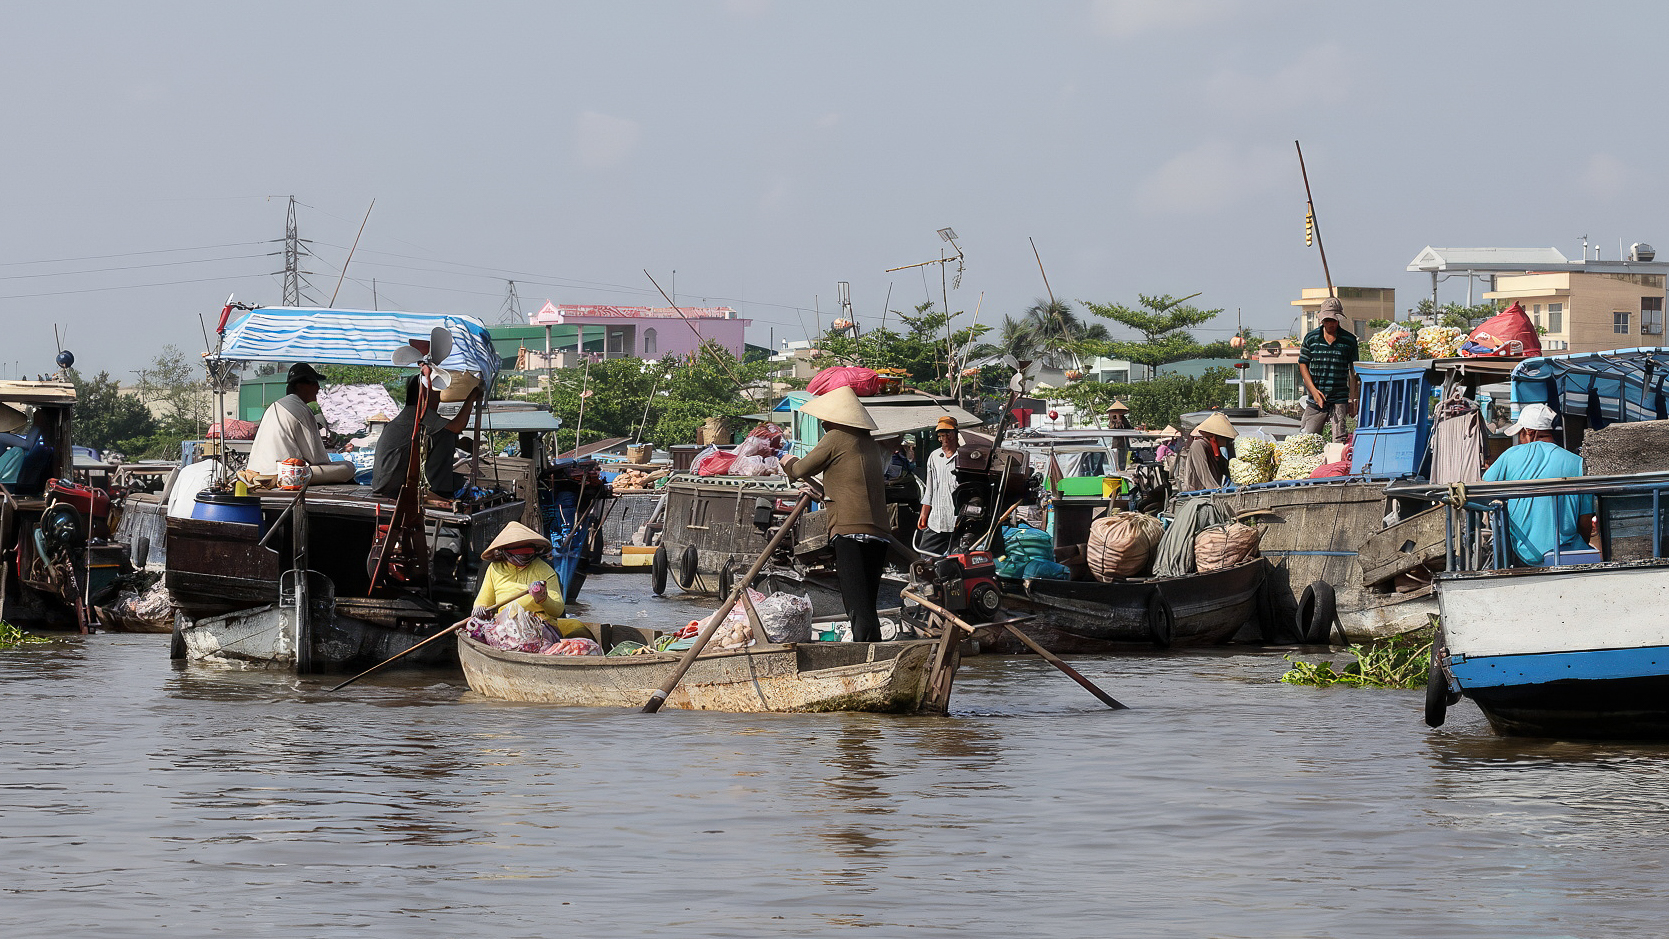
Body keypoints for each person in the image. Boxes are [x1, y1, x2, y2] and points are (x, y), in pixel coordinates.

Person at [783, 386, 891, 643]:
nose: (822, 423)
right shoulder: (870, 444)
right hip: (879, 535)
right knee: (867, 604)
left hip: (850, 531)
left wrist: (785, 460)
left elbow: (798, 469)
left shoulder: (837, 437)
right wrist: (820, 490)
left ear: (837, 418)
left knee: (855, 604)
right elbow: (848, 485)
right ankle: (872, 649)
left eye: (825, 418)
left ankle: (866, 656)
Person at [1481, 403, 1597, 565]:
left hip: (1524, 554)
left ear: (1529, 432)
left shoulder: (1510, 456)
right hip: (1567, 554)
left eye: (1520, 434)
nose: (1520, 440)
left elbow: (1481, 491)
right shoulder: (1577, 462)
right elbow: (1585, 520)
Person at [372, 374, 482, 497]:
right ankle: (439, 491)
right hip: (390, 484)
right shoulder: (418, 414)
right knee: (446, 435)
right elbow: (456, 426)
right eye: (437, 394)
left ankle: (439, 488)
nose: (439, 400)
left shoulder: (411, 414)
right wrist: (472, 396)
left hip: (383, 482)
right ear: (424, 395)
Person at [247, 363, 357, 483]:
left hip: (257, 472)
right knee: (348, 467)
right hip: (284, 475)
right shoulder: (301, 409)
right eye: (314, 384)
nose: (318, 388)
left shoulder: (278, 405)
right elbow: (317, 459)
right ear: (301, 386)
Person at [471, 520, 583, 634]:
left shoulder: (544, 569)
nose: (523, 558)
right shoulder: (495, 568)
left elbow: (558, 610)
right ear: (505, 552)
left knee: (576, 626)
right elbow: (484, 599)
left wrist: (543, 598)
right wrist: (480, 607)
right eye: (518, 555)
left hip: (539, 625)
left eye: (527, 553)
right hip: (504, 625)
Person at [1298, 297, 1360, 440]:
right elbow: (1303, 365)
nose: (1330, 324)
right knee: (1307, 439)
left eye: (1332, 320)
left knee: (1339, 440)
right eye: (1327, 320)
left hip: (1339, 397)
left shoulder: (1349, 341)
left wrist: (1353, 398)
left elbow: (1353, 372)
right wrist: (1313, 391)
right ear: (1322, 320)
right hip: (1317, 397)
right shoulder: (1311, 339)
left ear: (1338, 319)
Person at [917, 415, 961, 555]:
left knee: (957, 560)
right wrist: (924, 514)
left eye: (947, 434)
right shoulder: (934, 456)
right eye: (941, 435)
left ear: (954, 434)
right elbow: (929, 489)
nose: (943, 438)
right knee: (925, 557)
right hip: (936, 521)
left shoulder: (963, 457)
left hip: (956, 521)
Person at [1175, 412, 1236, 491]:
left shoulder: (1215, 448)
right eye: (1225, 439)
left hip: (1211, 491)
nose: (1227, 442)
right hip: (1198, 491)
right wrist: (1216, 489)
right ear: (1214, 436)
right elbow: (1204, 474)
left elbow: (1226, 469)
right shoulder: (1199, 445)